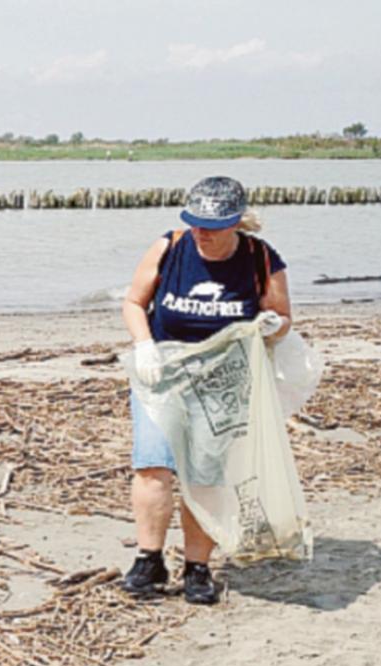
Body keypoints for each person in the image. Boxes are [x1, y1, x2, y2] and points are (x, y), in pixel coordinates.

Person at [120, 176, 292, 604]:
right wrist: (144, 346)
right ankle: (149, 560)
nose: (203, 233)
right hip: (162, 372)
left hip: (223, 382)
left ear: (238, 222)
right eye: (195, 222)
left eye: (213, 226)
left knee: (205, 474)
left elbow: (282, 316)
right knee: (153, 466)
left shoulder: (260, 259)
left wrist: (273, 327)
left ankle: (197, 567)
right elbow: (133, 303)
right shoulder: (170, 247)